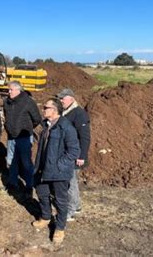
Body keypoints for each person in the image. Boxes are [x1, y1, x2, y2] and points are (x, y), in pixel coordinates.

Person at [32, 98, 80, 248]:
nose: (43, 109)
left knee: (60, 200)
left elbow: (73, 151)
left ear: (54, 110)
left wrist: (59, 165)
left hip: (59, 172)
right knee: (42, 193)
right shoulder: (47, 126)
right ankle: (46, 217)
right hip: (43, 169)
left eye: (46, 107)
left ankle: (59, 228)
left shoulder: (66, 127)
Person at [57, 88, 91, 221]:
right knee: (71, 182)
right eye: (60, 98)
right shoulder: (66, 112)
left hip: (74, 154)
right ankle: (76, 205)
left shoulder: (79, 114)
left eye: (63, 98)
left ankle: (70, 211)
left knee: (70, 182)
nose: (61, 101)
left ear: (71, 98)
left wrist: (82, 156)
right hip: (66, 152)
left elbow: (85, 137)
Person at [3, 81, 41, 197]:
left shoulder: (28, 102)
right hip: (11, 136)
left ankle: (29, 186)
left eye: (11, 90)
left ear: (18, 90)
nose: (8, 92)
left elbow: (37, 118)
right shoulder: (7, 102)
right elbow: (6, 116)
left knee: (26, 163)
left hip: (24, 137)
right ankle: (13, 183)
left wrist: (27, 128)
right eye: (9, 89)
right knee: (11, 161)